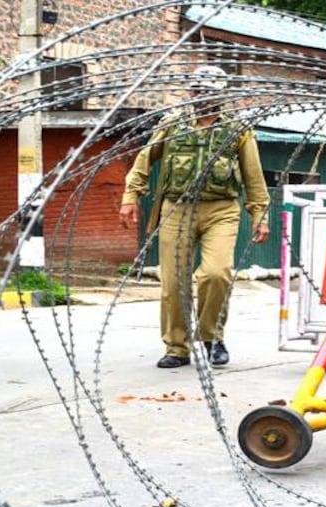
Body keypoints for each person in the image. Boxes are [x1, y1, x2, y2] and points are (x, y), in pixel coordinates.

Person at [119, 65, 270, 369]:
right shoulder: (173, 125)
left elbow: (254, 177)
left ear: (221, 96)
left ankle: (212, 337)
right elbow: (144, 160)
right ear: (191, 92)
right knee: (174, 282)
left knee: (217, 273)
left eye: (210, 93)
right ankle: (177, 347)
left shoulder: (237, 131)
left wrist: (259, 214)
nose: (204, 98)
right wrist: (130, 196)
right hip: (176, 209)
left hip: (221, 210)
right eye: (199, 91)